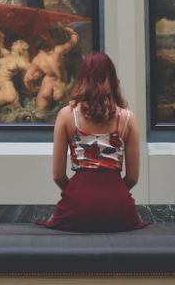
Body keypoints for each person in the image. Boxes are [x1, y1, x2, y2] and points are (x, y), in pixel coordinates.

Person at [37, 52, 148, 232]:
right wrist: (111, 193)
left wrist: (78, 194)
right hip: (119, 209)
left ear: (82, 79)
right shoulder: (129, 119)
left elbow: (58, 176)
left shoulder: (66, 115)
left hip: (77, 205)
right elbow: (133, 178)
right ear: (113, 79)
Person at [24, 26, 79, 112]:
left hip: (47, 87)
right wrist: (71, 32)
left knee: (39, 113)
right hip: (61, 88)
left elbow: (27, 79)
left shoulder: (36, 60)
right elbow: (74, 41)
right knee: (69, 112)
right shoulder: (58, 51)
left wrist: (32, 90)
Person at [0, 39, 30, 116]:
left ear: (22, 48)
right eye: (15, 41)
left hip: (6, 90)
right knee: (19, 114)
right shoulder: (8, 54)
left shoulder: (19, 60)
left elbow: (29, 67)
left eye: (17, 42)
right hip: (4, 90)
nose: (14, 42)